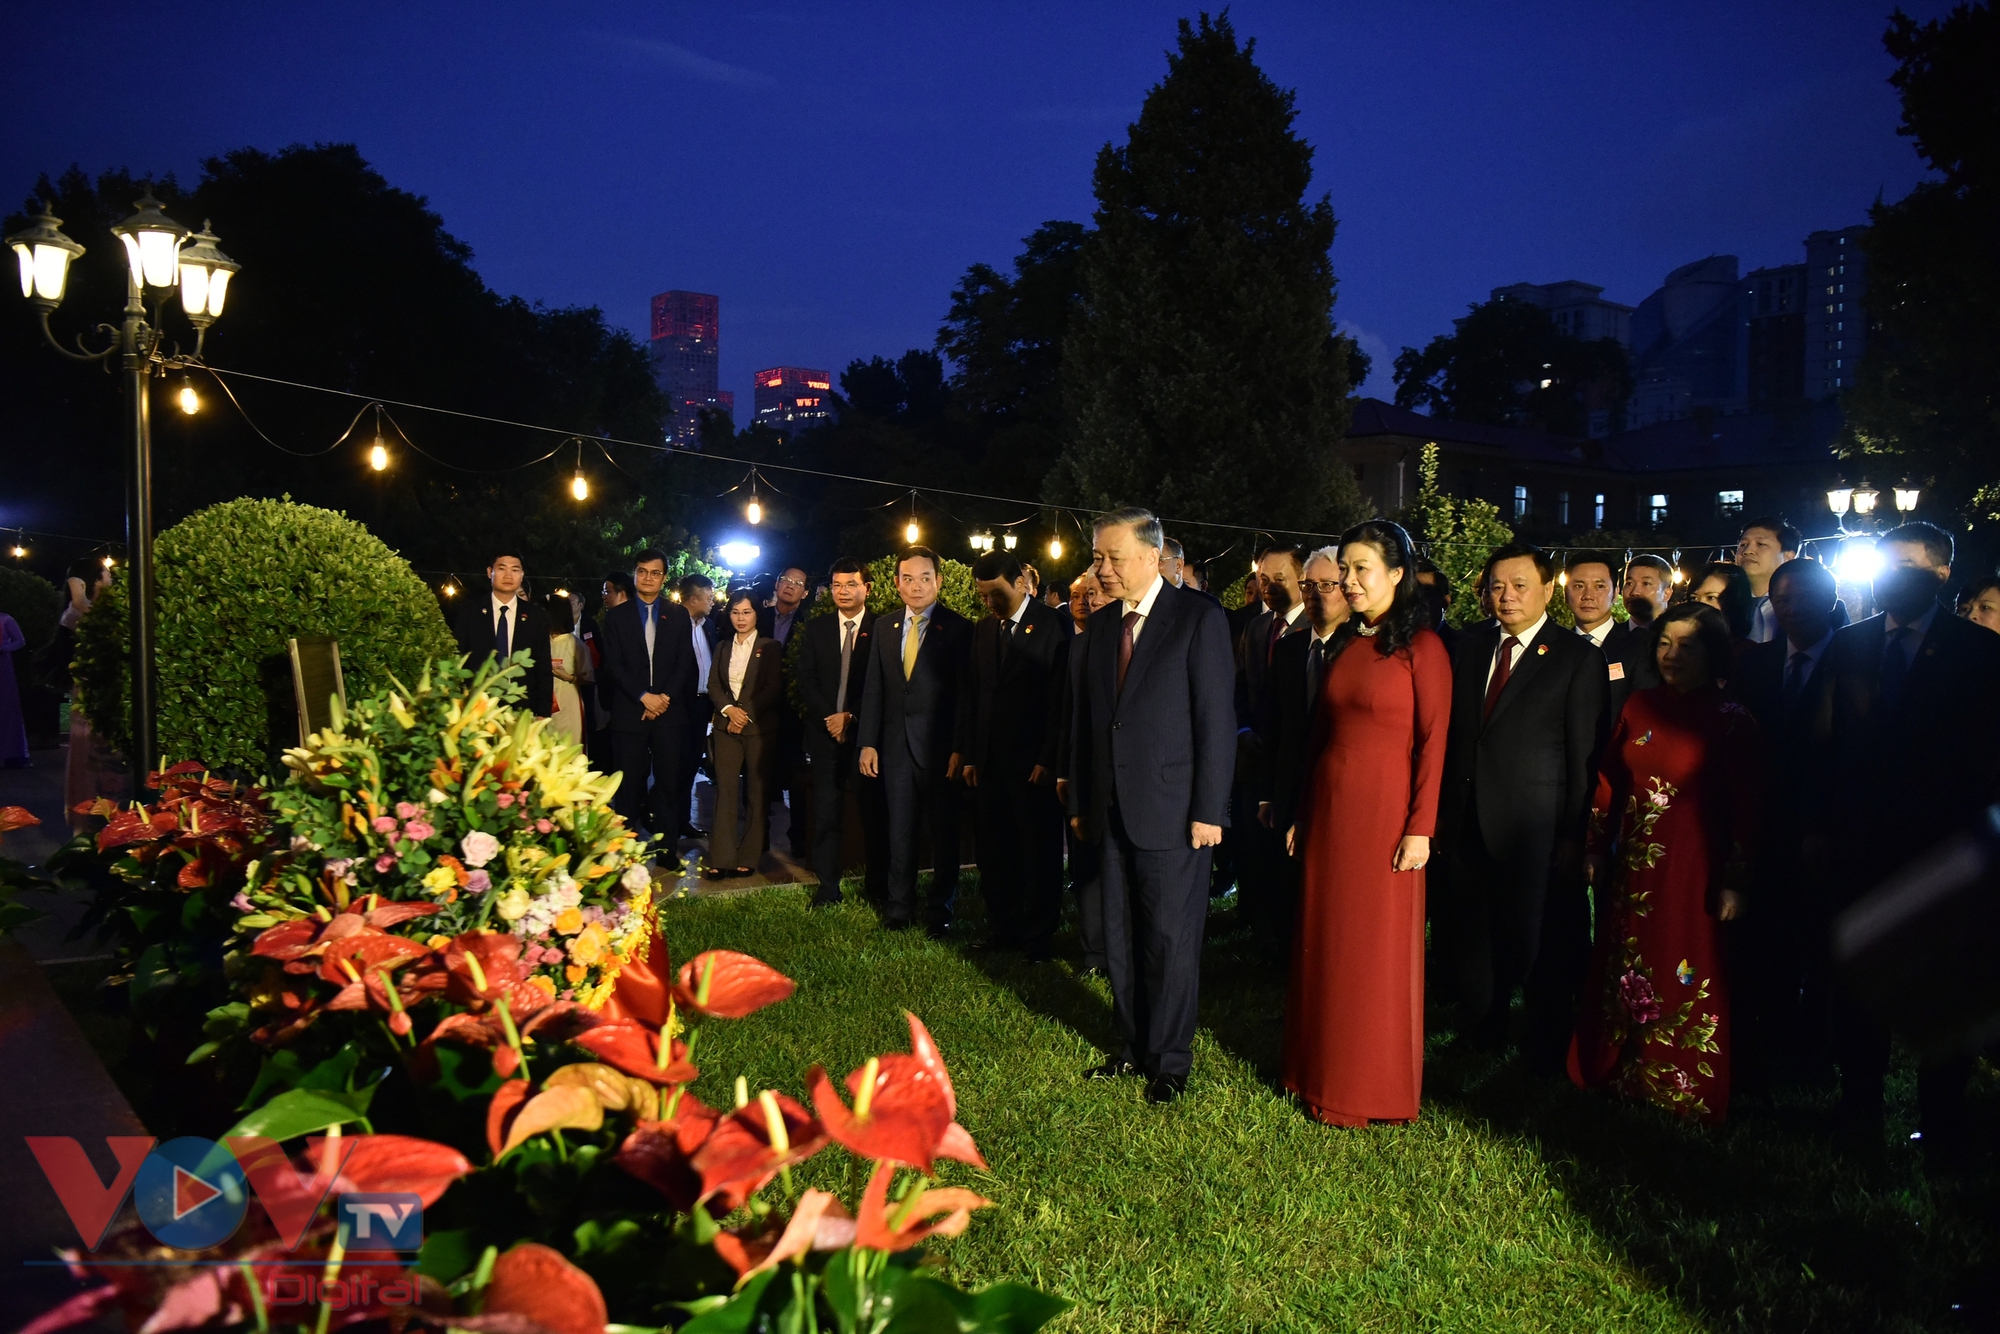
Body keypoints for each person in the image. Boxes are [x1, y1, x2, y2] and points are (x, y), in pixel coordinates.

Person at [1812, 522, 2000, 1162]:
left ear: (1942, 575)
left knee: (1945, 987)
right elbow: (1827, 743)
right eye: (1886, 565)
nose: (1895, 576)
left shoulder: (1980, 653)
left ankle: (1943, 1124)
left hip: (1944, 848)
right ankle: (1857, 1107)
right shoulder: (1854, 644)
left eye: (1910, 566)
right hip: (1862, 844)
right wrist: (1821, 824)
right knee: (1860, 980)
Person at [1282, 520, 1450, 1125]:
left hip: (1385, 816)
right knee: (1325, 940)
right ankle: (1315, 1068)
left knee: (1370, 950)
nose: (1348, 582)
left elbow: (1434, 743)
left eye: (1362, 571)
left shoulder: (1424, 649)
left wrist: (1420, 827)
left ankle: (1364, 1085)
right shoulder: (1349, 645)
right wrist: (1303, 813)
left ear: (1397, 576)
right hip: (1331, 810)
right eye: (1344, 570)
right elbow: (1319, 737)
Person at [1067, 507, 1234, 1104]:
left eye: (1111, 557)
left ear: (1150, 556)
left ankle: (1170, 1059)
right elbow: (1089, 723)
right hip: (1110, 808)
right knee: (1119, 934)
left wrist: (1210, 809)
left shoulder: (1198, 619)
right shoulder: (1104, 625)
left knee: (1168, 936)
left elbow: (1216, 721)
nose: (1101, 569)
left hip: (1174, 810)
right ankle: (1132, 1046)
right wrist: (1083, 800)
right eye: (1097, 557)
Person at [1571, 602, 1762, 1122]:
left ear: (1714, 653)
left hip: (1693, 871)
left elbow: (1748, 810)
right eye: (1664, 643)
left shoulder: (1731, 721)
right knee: (1628, 962)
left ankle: (1679, 1083)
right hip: (1634, 866)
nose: (1672, 655)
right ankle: (1619, 1069)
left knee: (1684, 966)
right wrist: (1594, 846)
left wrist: (1735, 882)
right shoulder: (1639, 705)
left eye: (1687, 646)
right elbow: (1609, 782)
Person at [1435, 543, 1609, 1070]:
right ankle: (1481, 1029)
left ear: (1548, 588)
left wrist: (1574, 836)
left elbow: (1584, 755)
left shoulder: (1577, 657)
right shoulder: (1469, 648)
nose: (1506, 596)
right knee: (1473, 937)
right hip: (1468, 820)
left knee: (1540, 943)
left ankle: (1543, 1047)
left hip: (1536, 827)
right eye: (1496, 586)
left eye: (1519, 585)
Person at [1727, 557, 1839, 1093]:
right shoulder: (1753, 664)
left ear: (1832, 599)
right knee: (1758, 942)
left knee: (1818, 946)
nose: (1793, 609)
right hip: (1759, 824)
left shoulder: (1857, 659)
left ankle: (1811, 1050)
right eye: (1783, 599)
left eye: (1806, 597)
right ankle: (1757, 1044)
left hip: (1826, 829)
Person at [959, 550, 1069, 960]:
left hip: (1033, 764)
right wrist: (970, 753)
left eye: (996, 595)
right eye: (983, 596)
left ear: (1021, 582)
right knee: (994, 852)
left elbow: (1060, 699)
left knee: (1037, 853)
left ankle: (1038, 937)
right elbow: (975, 694)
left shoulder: (1053, 625)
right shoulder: (985, 630)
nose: (989, 604)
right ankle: (1002, 927)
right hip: (989, 764)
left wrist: (1049, 756)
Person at [858, 546, 974, 934]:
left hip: (941, 751)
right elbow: (873, 688)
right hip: (893, 748)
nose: (917, 586)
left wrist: (960, 747)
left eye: (925, 577)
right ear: (896, 583)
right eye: (908, 578)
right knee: (899, 830)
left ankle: (941, 909)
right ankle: (899, 908)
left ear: (939, 581)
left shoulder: (959, 629)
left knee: (943, 833)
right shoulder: (884, 627)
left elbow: (964, 696)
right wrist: (868, 742)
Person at [1255, 546, 1349, 957]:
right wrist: (1267, 792)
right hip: (1290, 787)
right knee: (1288, 886)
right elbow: (1274, 727)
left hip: (1341, 792)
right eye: (1309, 586)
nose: (1315, 595)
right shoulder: (1291, 649)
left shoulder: (1363, 650)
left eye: (1327, 586)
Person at [797, 559, 888, 907]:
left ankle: (877, 885)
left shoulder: (882, 627)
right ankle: (827, 885)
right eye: (837, 585)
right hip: (824, 735)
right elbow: (805, 678)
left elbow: (882, 685)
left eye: (851, 584)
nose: (843, 591)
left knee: (872, 811)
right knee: (826, 811)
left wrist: (851, 716)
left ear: (867, 588)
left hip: (865, 736)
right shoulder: (817, 628)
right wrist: (831, 717)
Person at [598, 550, 698, 865]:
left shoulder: (678, 614)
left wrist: (663, 697)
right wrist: (644, 696)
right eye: (643, 572)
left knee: (669, 784)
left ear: (664, 578)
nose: (648, 578)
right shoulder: (616, 616)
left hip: (669, 713)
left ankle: (668, 853)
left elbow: (685, 661)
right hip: (630, 711)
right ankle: (626, 855)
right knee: (629, 787)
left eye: (655, 573)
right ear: (635, 574)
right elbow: (613, 665)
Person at [1235, 546, 1308, 955]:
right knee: (1253, 849)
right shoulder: (1257, 628)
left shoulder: (1313, 631)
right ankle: (1261, 934)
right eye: (1263, 579)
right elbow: (1241, 685)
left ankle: (1287, 938)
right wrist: (1243, 727)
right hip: (1253, 756)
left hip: (1289, 760)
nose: (1268, 587)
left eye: (1279, 578)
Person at [706, 589, 783, 879]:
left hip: (759, 729)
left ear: (756, 615)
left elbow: (772, 688)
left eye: (746, 612)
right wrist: (729, 709)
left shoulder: (771, 646)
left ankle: (749, 856)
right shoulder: (723, 646)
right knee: (724, 791)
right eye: (735, 612)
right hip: (726, 727)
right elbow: (713, 683)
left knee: (757, 793)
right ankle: (721, 857)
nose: (740, 618)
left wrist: (744, 713)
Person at [451, 550, 553, 716]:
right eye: (502, 568)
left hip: (522, 707)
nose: (508, 575)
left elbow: (543, 667)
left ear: (522, 575)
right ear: (490, 572)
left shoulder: (536, 616)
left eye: (515, 570)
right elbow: (459, 659)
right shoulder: (469, 612)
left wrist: (543, 712)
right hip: (477, 706)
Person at [757, 566, 811, 849]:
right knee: (758, 776)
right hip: (758, 711)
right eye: (786, 580)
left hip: (792, 713)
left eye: (797, 583)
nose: (790, 586)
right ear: (777, 584)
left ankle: (799, 836)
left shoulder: (809, 623)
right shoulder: (759, 618)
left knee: (796, 775)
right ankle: (758, 836)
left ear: (805, 592)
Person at [1566, 551, 1652, 717]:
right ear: (1565, 592)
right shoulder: (1555, 648)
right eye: (1578, 586)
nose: (1588, 596)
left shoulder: (1640, 647)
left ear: (1615, 592)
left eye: (1599, 586)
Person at [670, 574, 718, 841]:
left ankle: (683, 820)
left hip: (702, 705)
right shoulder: (673, 624)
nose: (712, 602)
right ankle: (666, 820)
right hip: (678, 705)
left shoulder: (708, 626)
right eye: (709, 597)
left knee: (690, 766)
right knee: (673, 766)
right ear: (694, 598)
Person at [1736, 517, 1801, 644]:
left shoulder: (1810, 607)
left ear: (1788, 557)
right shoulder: (1723, 603)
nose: (1747, 551)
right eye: (1743, 545)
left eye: (1761, 544)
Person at [544, 593, 586, 745]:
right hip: (544, 702)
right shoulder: (540, 642)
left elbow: (589, 677)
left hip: (568, 701)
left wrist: (568, 677)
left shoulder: (575, 645)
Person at [1691, 562, 1755, 646]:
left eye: (1711, 598)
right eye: (1694, 598)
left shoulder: (1751, 653)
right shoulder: (1682, 650)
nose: (1699, 604)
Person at [0, 611, 27, 767]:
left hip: (3, 669)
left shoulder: (6, 620)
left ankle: (10, 752)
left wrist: (4, 648)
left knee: (6, 708)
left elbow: (20, 641)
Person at [1621, 555, 1672, 627]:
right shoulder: (1608, 636)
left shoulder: (1681, 636)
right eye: (1629, 583)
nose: (1635, 592)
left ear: (1666, 594)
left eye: (1646, 583)